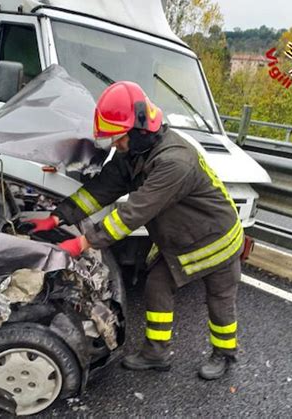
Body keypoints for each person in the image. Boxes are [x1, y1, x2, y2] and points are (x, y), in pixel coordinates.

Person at [27, 81, 244, 380]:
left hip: (216, 241)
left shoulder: (174, 163)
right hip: (181, 240)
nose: (115, 145)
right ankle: (156, 354)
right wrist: (56, 217)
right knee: (157, 286)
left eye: (118, 139)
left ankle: (225, 354)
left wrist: (82, 243)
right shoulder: (135, 153)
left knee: (219, 303)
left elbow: (131, 214)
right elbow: (100, 190)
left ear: (140, 131)